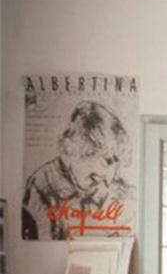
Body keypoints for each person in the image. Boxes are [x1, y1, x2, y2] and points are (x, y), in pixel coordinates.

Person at [22, 100, 132, 240]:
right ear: (72, 154)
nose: (107, 183)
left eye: (111, 167)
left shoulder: (120, 188)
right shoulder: (41, 185)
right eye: (94, 178)